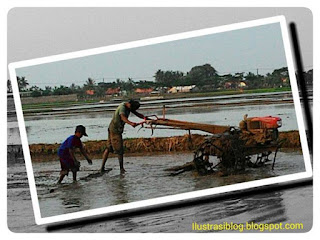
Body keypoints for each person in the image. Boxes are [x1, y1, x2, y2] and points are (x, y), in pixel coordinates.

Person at [100, 100, 147, 174]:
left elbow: (137, 114)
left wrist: (145, 118)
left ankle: (102, 168)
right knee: (120, 151)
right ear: (130, 105)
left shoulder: (128, 107)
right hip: (115, 131)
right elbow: (122, 117)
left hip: (112, 128)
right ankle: (121, 169)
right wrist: (131, 123)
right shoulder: (122, 108)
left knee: (108, 148)